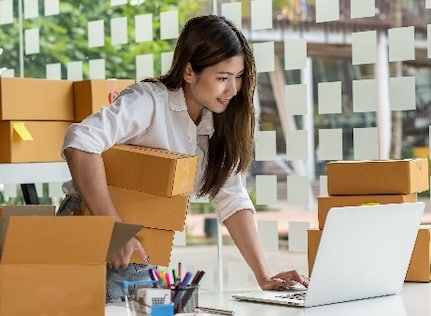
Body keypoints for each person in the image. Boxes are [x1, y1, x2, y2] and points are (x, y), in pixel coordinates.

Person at [57, 14, 309, 303]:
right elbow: (79, 142)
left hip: (140, 239)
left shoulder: (217, 123)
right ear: (189, 71)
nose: (233, 89)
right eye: (223, 78)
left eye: (238, 77)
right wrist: (112, 227)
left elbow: (232, 198)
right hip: (94, 223)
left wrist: (264, 276)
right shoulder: (148, 101)